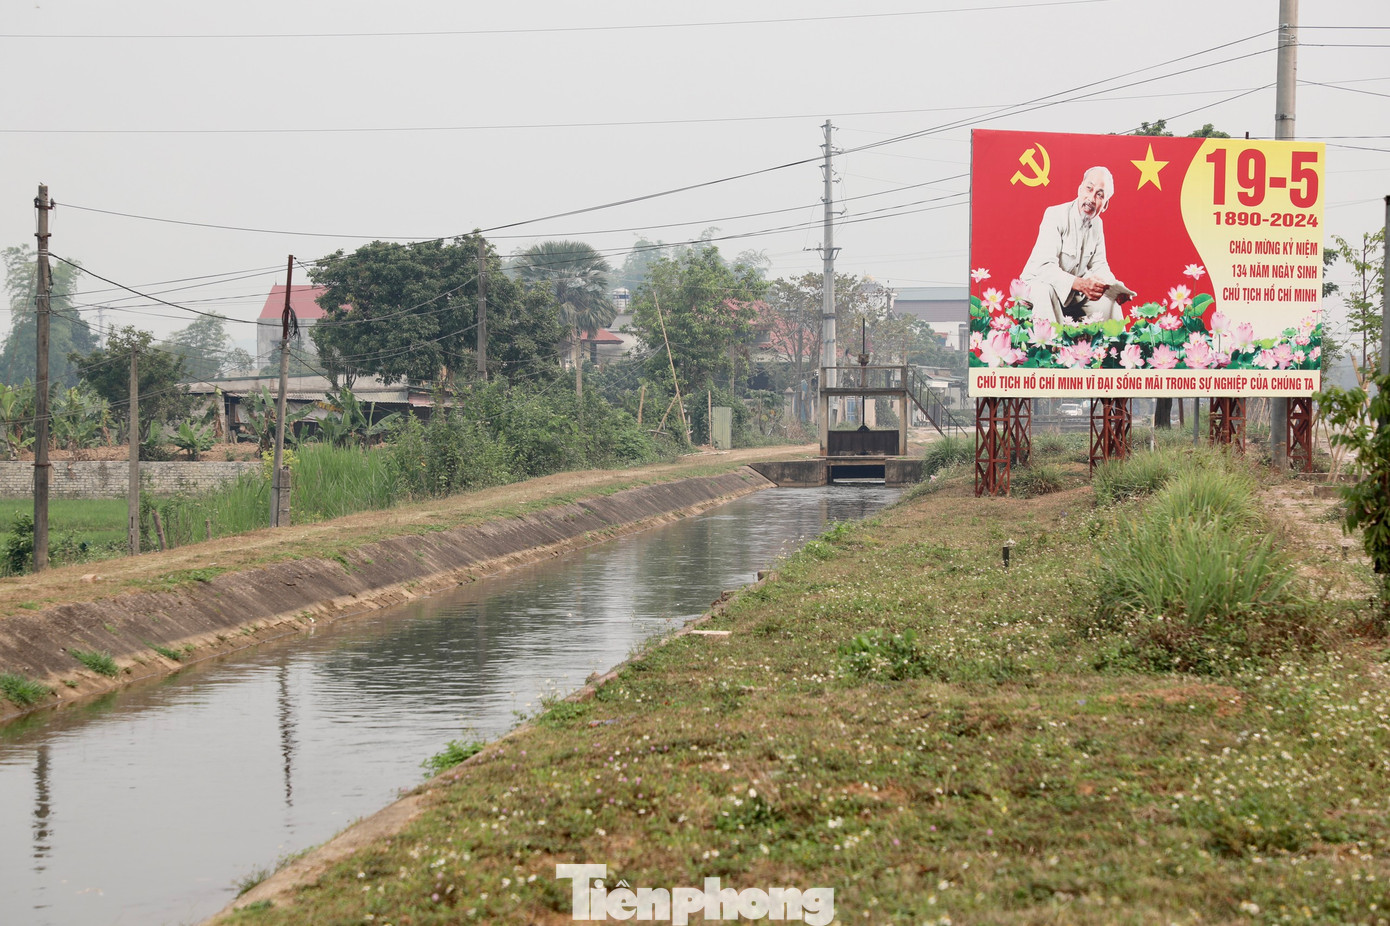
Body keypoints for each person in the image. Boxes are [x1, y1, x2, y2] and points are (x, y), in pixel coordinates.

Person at [1019, 166, 1132, 324]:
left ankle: (1118, 348)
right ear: (1080, 189)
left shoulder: (1097, 224)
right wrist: (1080, 284)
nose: (1091, 199)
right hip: (1036, 285)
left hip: (1069, 294)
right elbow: (1044, 267)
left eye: (1099, 195)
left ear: (1105, 205)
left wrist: (1114, 288)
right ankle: (1054, 348)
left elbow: (1099, 265)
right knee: (1046, 290)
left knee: (1109, 302)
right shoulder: (1054, 215)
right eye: (1089, 188)